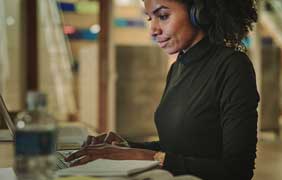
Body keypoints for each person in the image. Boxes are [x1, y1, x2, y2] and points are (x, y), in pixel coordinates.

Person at [65, 0, 259, 179]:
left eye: (163, 16)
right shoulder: (178, 67)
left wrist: (148, 156)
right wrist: (126, 146)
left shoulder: (233, 66)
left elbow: (238, 171)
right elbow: (178, 148)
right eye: (150, 18)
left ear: (198, 12)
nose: (153, 30)